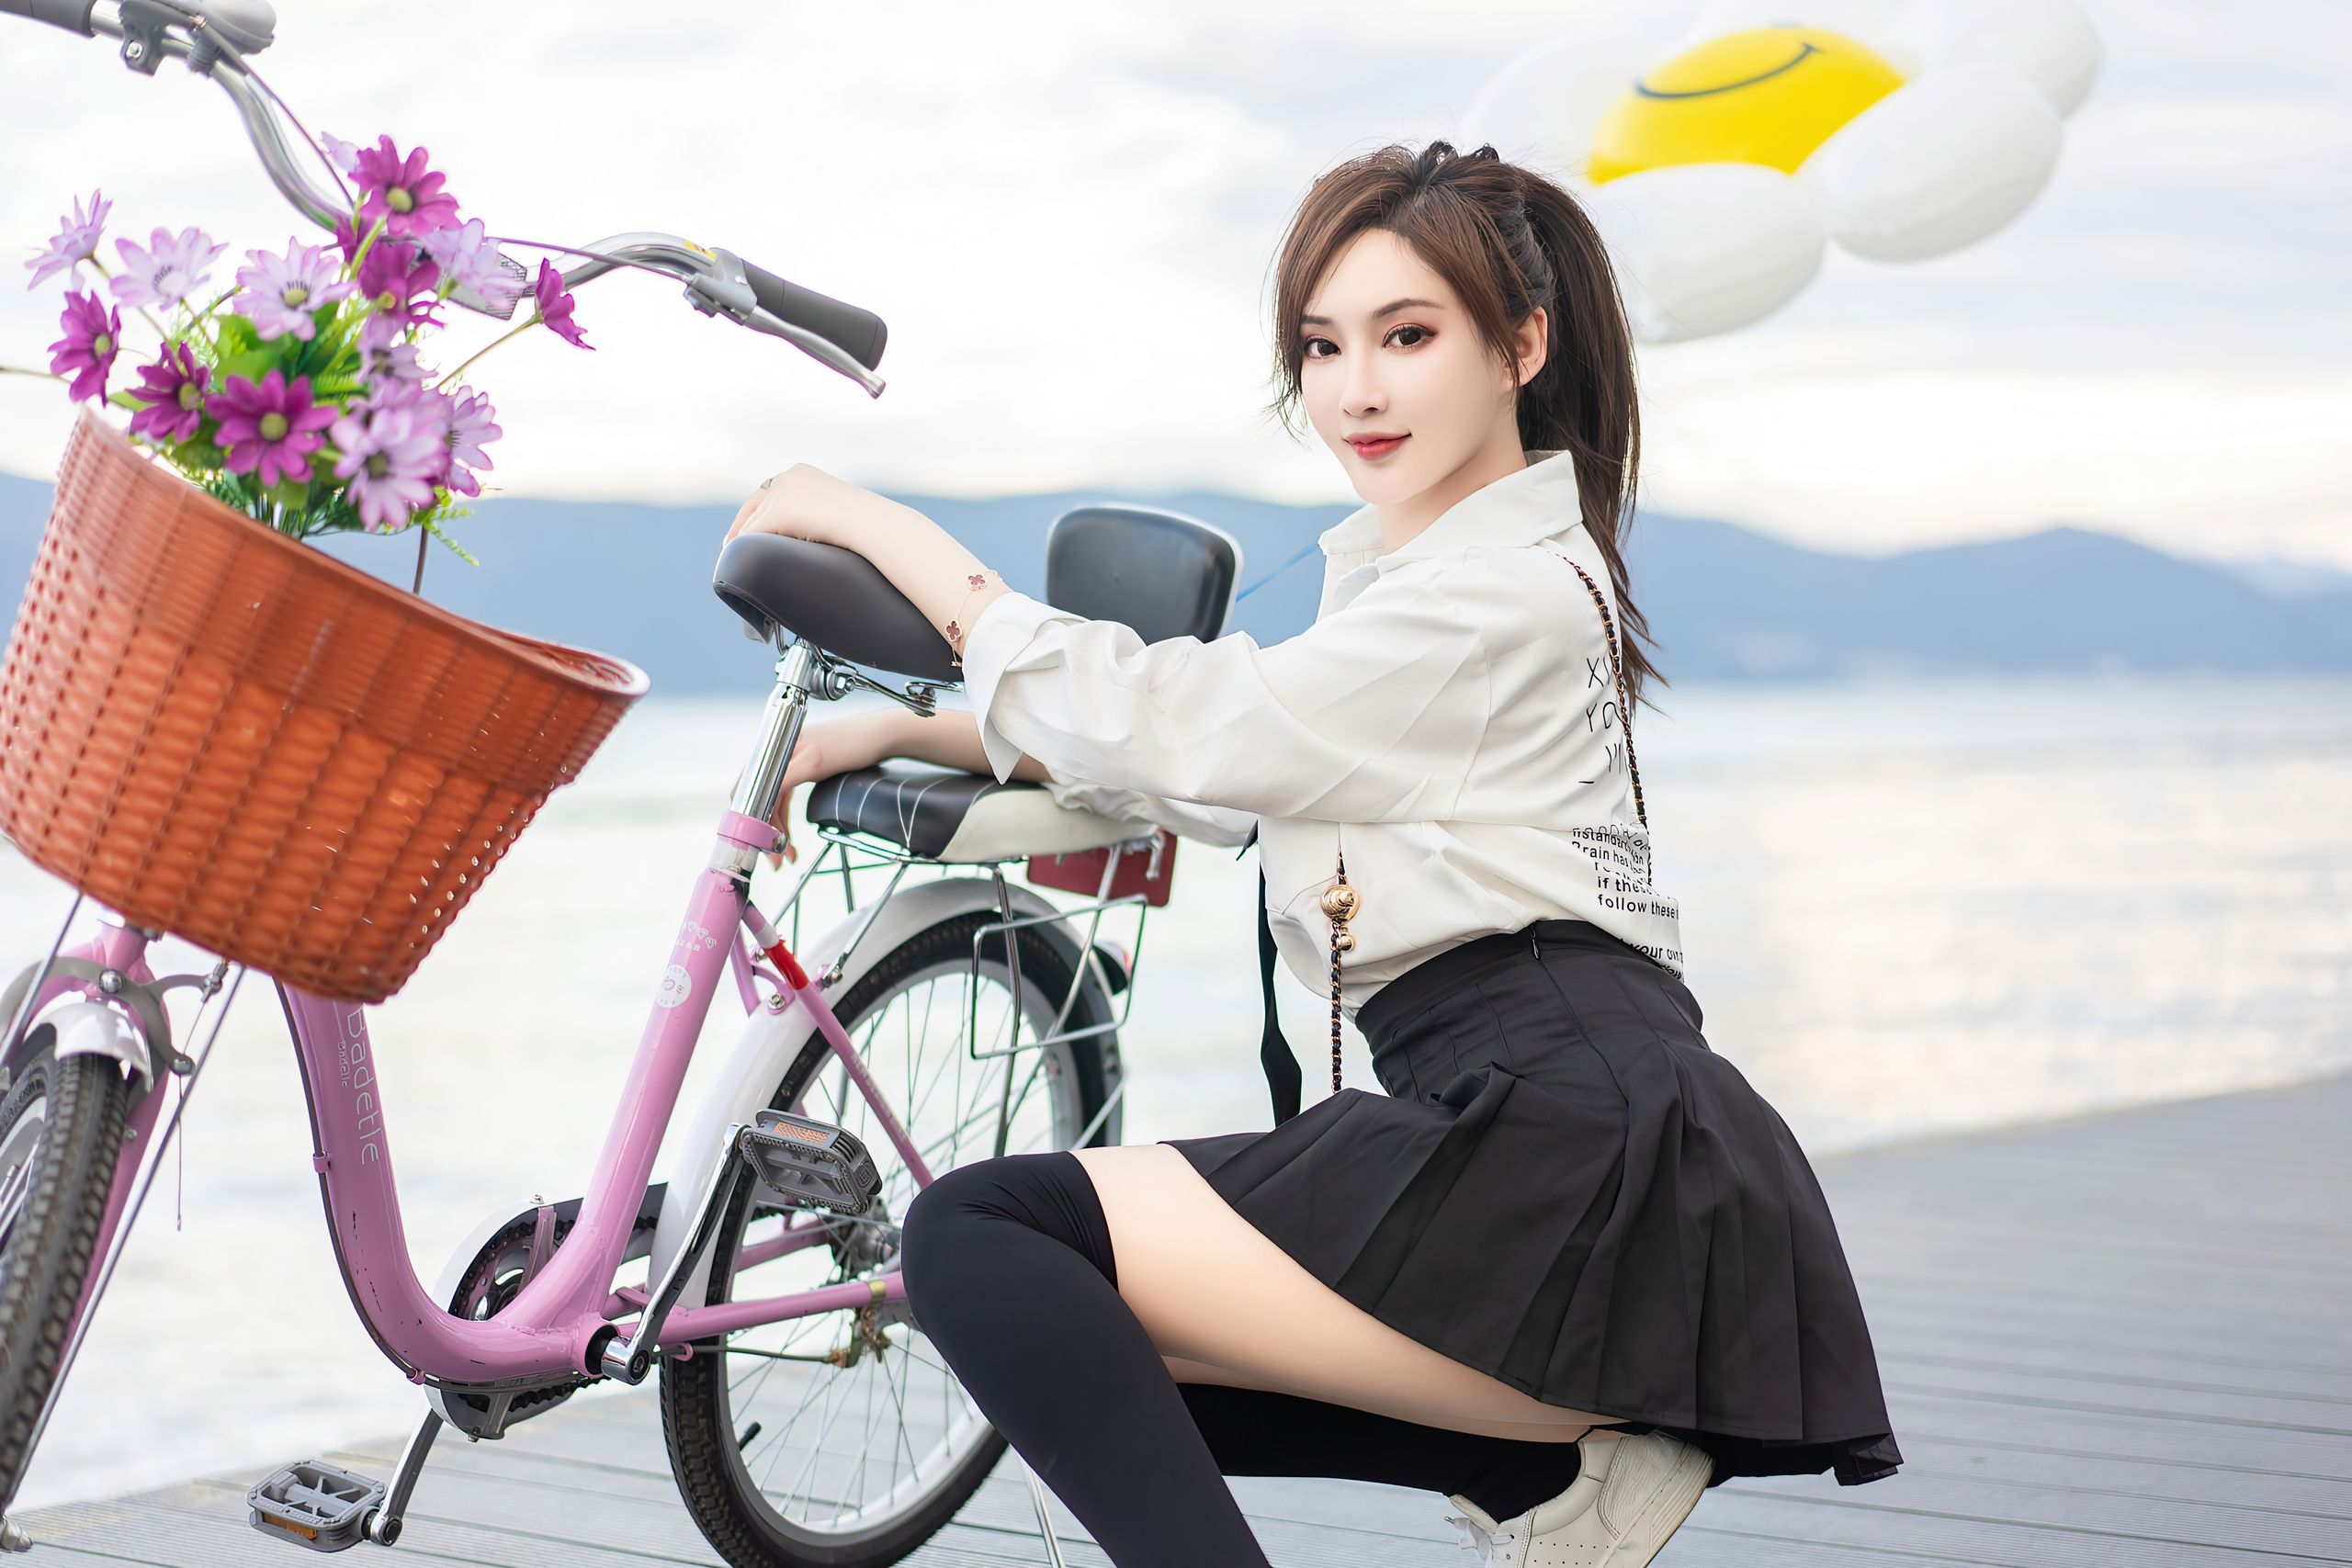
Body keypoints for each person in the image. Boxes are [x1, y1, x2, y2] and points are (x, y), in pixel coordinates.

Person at [725, 141, 1900, 1568]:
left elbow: (1192, 727)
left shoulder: (1488, 601)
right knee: (1084, 1365)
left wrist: (880, 528)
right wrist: (914, 737)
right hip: (1584, 1130)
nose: (1357, 389)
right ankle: (1556, 1474)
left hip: (1558, 1138)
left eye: (1409, 338)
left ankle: (1554, 1462)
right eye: (1323, 346)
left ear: (1521, 343)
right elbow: (1235, 771)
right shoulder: (1477, 585)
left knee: (982, 1243)